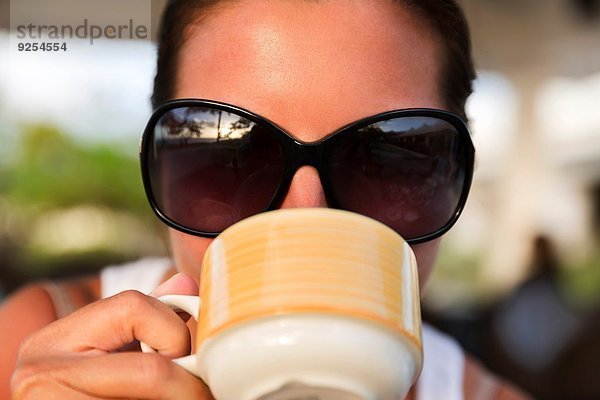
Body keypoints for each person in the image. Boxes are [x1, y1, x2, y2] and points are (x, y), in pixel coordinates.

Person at [0, 0, 531, 399]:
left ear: (455, 171)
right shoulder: (35, 350)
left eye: (384, 161)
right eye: (227, 157)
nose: (304, 221)